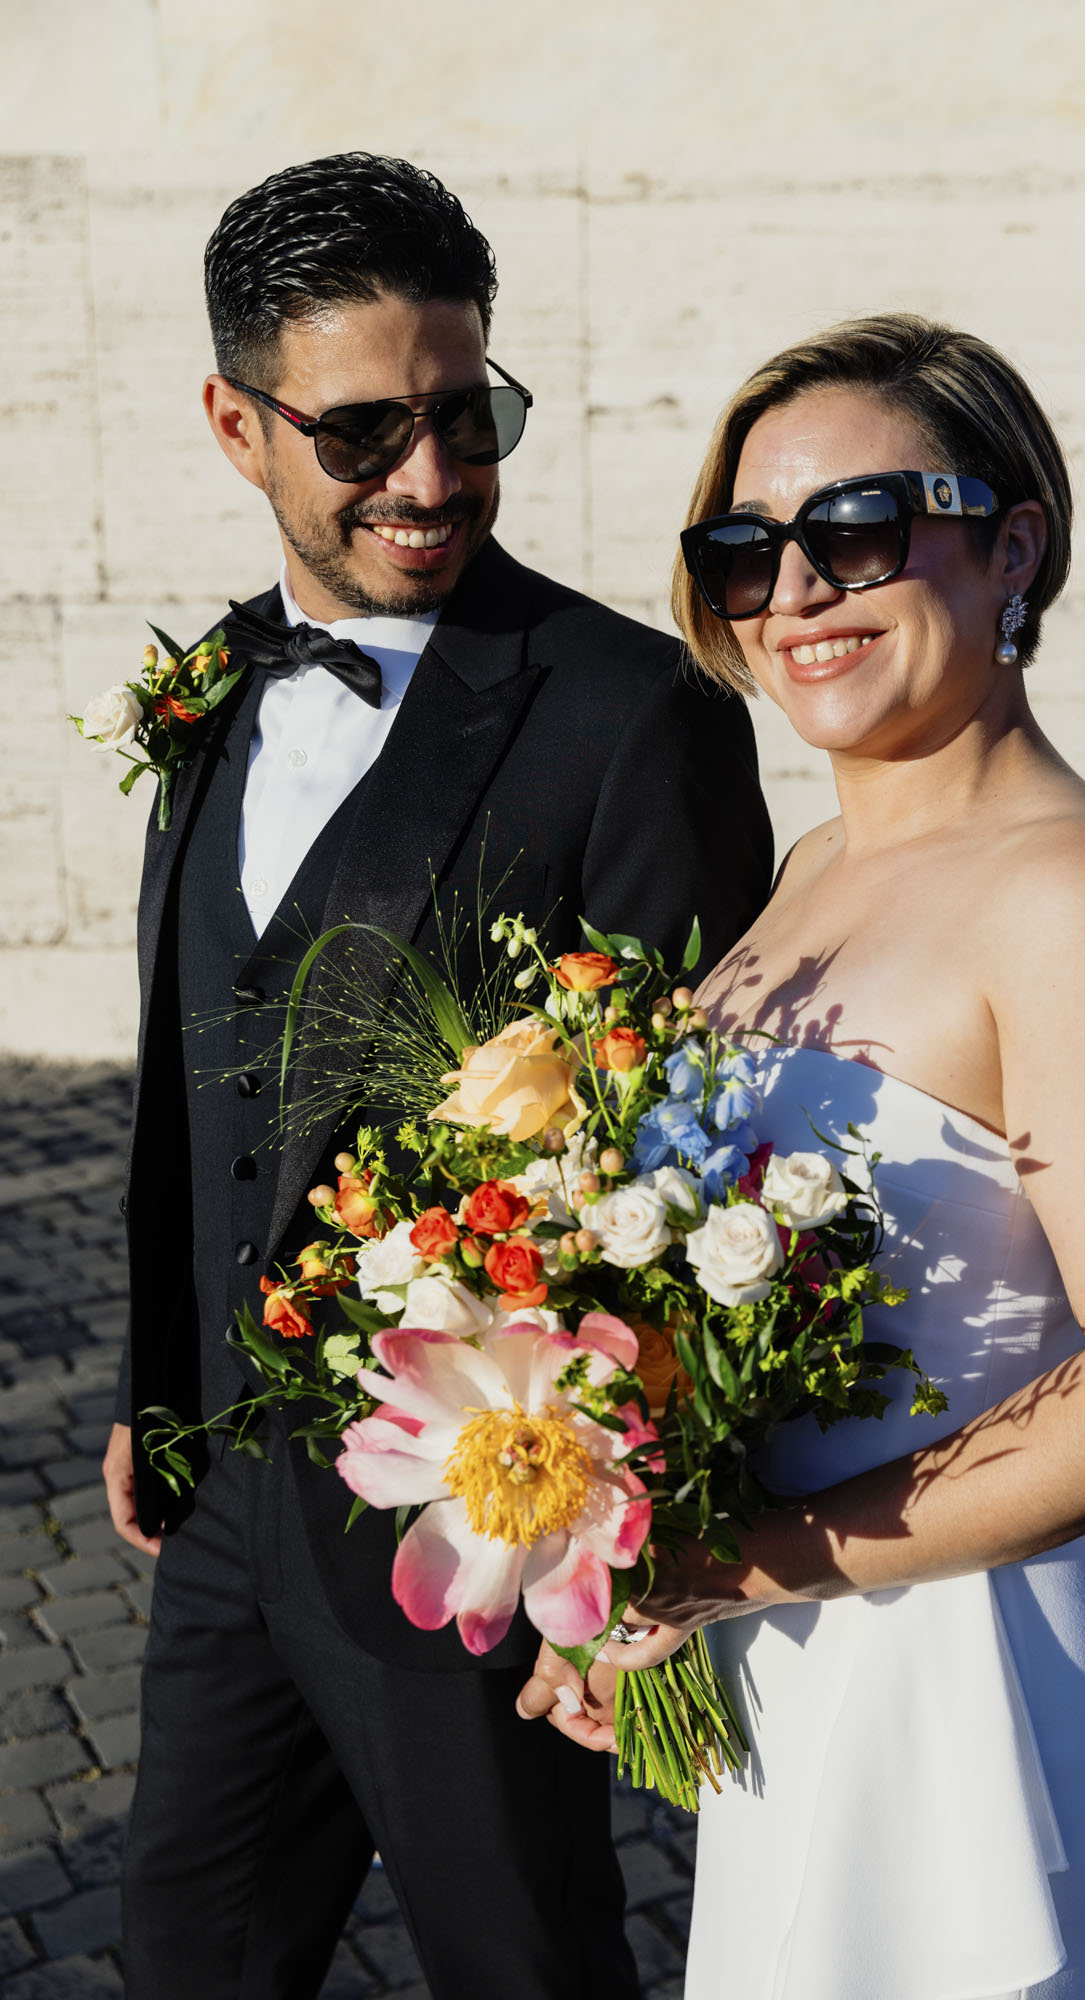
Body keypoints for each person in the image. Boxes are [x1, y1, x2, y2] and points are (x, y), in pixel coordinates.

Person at [517, 315, 1085, 1998]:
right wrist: (635, 1553)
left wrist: (729, 1566)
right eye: (739, 550)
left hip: (967, 1658)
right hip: (794, 1631)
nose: (793, 588)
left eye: (856, 527)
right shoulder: (806, 864)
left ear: (1013, 545)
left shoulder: (1082, 897)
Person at [101, 151, 772, 1999]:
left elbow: (698, 1160)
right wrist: (165, 1378)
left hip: (483, 1509)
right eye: (368, 427)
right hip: (226, 1491)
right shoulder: (211, 686)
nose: (429, 475)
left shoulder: (637, 719)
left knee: (521, 1957)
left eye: (467, 413)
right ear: (238, 423)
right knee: (190, 1946)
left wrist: (640, 1570)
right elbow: (188, 1061)